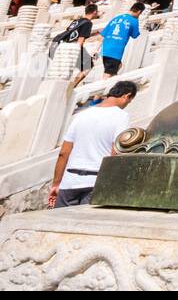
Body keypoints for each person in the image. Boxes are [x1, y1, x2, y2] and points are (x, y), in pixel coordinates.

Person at [47, 79, 138, 207]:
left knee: (57, 224)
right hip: (95, 182)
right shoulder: (121, 116)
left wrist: (56, 184)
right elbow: (115, 152)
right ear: (126, 96)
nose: (127, 104)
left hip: (69, 181)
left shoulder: (82, 115)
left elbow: (64, 152)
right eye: (129, 101)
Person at [49, 5, 100, 88]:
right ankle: (72, 86)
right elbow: (80, 39)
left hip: (63, 45)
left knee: (61, 71)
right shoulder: (88, 23)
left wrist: (93, 34)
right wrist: (77, 53)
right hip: (73, 48)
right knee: (88, 66)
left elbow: (71, 33)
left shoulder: (76, 21)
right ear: (94, 12)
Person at [97, 1, 145, 77]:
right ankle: (102, 86)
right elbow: (135, 35)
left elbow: (103, 35)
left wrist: (96, 49)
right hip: (115, 51)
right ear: (139, 12)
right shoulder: (134, 20)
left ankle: (109, 84)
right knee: (108, 74)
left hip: (105, 48)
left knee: (117, 66)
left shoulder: (116, 18)